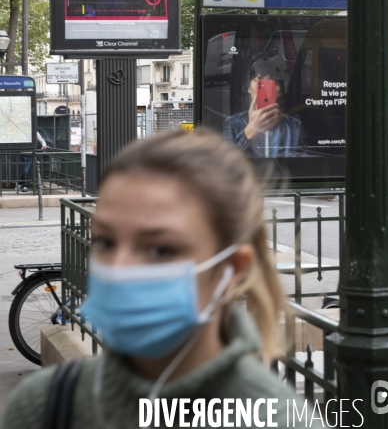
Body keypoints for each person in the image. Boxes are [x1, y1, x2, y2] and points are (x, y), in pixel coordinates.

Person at [1, 129, 316, 429]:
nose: (120, 268)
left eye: (160, 248)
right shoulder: (45, 405)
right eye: (106, 242)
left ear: (232, 269)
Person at [224, 54, 306, 158]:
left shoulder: (295, 126)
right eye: (259, 82)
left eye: (272, 83)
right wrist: (248, 133)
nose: (265, 89)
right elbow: (226, 164)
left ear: (280, 91)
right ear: (248, 88)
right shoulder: (233, 124)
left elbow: (302, 166)